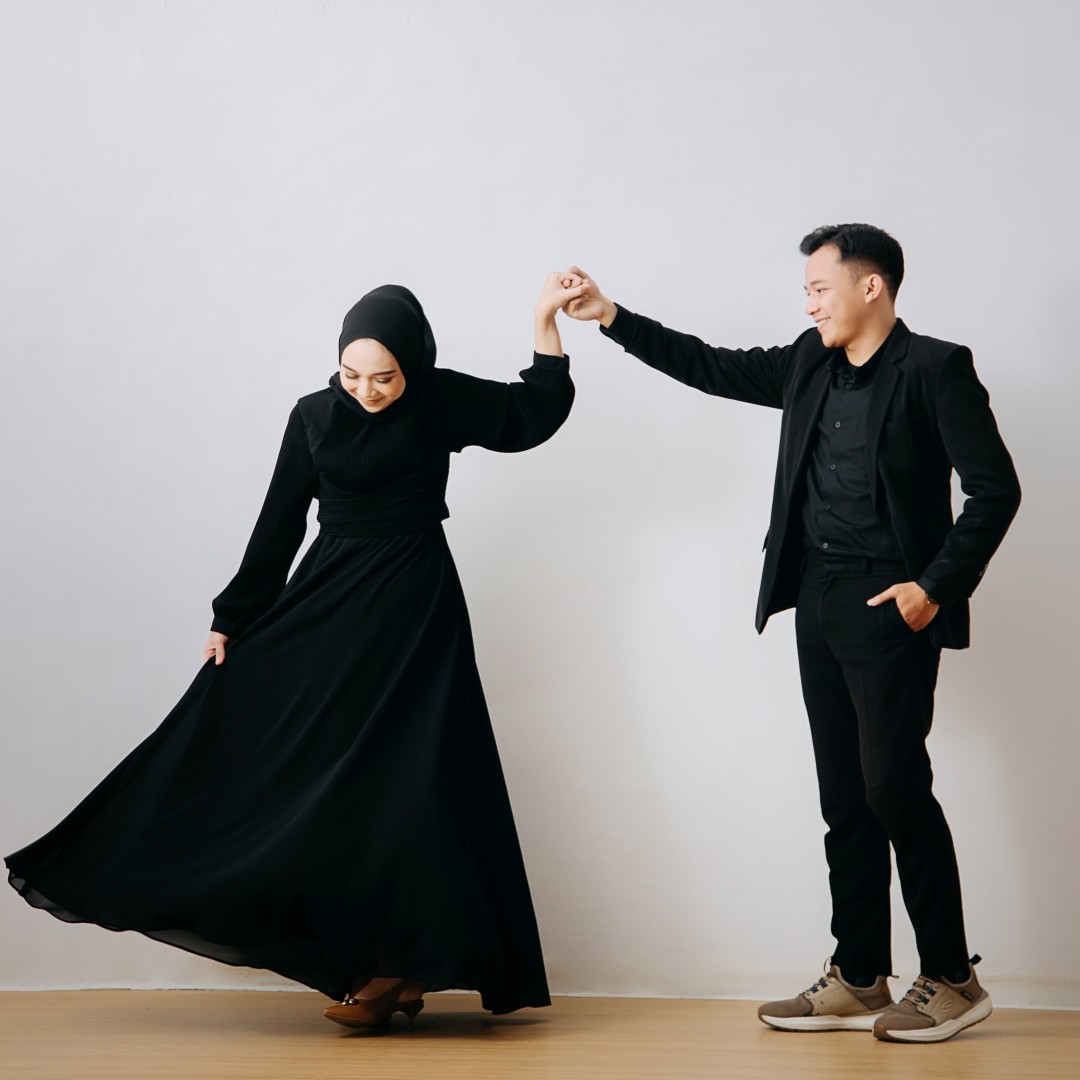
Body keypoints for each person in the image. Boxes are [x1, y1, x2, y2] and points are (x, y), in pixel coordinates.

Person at [6, 274, 586, 1030]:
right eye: (351, 375)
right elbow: (279, 520)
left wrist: (545, 322)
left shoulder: (441, 398)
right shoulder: (312, 415)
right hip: (331, 598)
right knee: (317, 771)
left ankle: (396, 969)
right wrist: (233, 617)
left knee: (411, 780)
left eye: (384, 378)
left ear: (414, 363)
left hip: (416, 608)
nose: (367, 391)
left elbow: (531, 415)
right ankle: (373, 965)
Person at [562, 225, 1020, 1044]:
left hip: (891, 604)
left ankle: (954, 978)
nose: (808, 304)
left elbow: (996, 490)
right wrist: (611, 316)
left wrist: (931, 589)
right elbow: (710, 365)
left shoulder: (934, 368)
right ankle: (859, 974)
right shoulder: (808, 361)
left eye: (818, 288)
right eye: (806, 291)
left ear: (870, 287)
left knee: (893, 787)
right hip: (817, 597)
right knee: (844, 797)